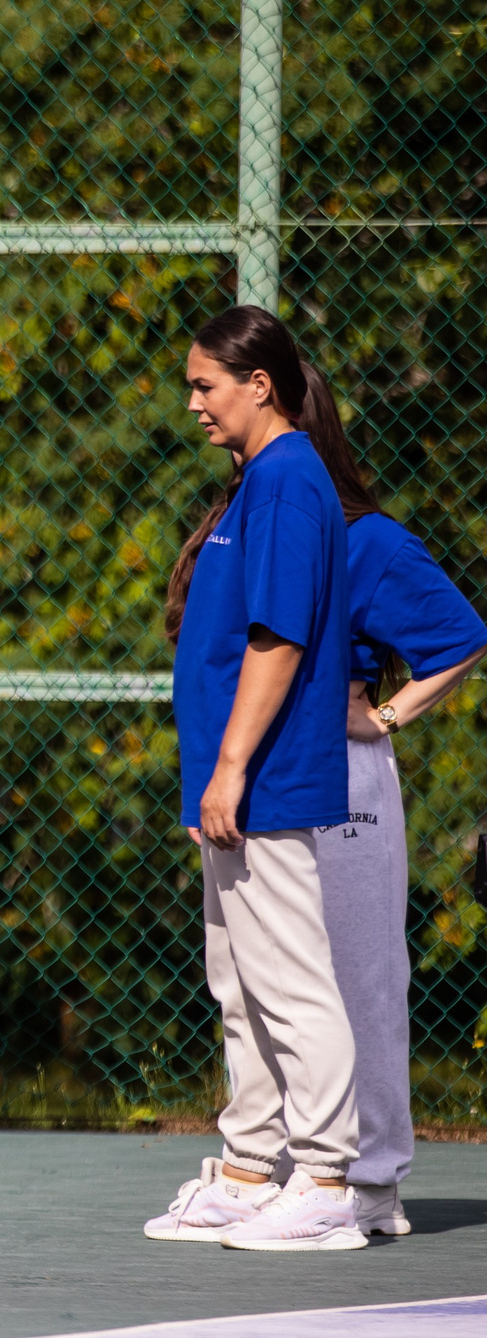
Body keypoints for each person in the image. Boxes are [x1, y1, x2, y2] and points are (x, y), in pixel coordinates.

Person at [141, 305, 366, 1253]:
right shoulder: (253, 484)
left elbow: (279, 639)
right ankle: (248, 1166)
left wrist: (232, 766)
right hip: (233, 787)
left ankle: (325, 1179)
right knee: (238, 980)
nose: (192, 402)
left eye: (205, 385)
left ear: (257, 386)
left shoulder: (283, 484)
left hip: (266, 780)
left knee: (289, 978)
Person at [278, 363, 482, 1239]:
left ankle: (370, 1179)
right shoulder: (248, 528)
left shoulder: (368, 539)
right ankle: (299, 1165)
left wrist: (388, 713)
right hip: (268, 774)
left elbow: (462, 635)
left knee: (360, 971)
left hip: (345, 776)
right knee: (276, 980)